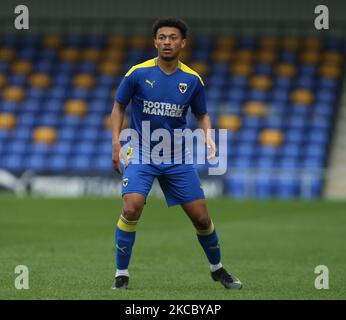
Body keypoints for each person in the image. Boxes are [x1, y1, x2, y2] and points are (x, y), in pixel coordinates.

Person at [110, 17, 242, 290]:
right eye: (162, 37)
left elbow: (202, 114)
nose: (167, 42)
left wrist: (207, 135)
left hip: (177, 158)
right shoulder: (137, 73)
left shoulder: (192, 80)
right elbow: (118, 106)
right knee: (131, 207)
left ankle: (217, 269)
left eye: (172, 37)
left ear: (183, 42)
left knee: (202, 218)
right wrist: (116, 143)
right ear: (155, 41)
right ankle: (121, 274)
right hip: (143, 153)